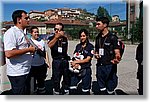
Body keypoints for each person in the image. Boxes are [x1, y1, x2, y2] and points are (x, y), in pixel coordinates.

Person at [3, 10, 36, 95]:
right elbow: (9, 53)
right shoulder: (11, 33)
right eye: (26, 18)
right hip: (17, 73)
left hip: (26, 70)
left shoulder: (23, 33)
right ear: (19, 20)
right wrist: (28, 50)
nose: (29, 20)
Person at [94, 16, 121, 95]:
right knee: (102, 89)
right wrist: (96, 54)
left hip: (109, 66)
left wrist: (117, 59)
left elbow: (117, 52)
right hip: (100, 66)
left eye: (98, 24)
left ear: (105, 25)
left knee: (110, 89)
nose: (96, 26)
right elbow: (96, 50)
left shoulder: (112, 37)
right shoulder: (98, 37)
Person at [47, 23, 70, 95]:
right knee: (56, 78)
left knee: (66, 77)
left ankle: (66, 90)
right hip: (56, 61)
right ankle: (56, 91)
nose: (56, 31)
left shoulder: (65, 38)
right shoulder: (52, 38)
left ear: (62, 31)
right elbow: (49, 45)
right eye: (55, 29)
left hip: (64, 60)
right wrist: (56, 37)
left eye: (58, 29)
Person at [69, 29, 94, 95]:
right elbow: (74, 56)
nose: (82, 38)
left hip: (86, 69)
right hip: (76, 69)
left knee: (85, 90)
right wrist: (74, 63)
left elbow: (88, 59)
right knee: (72, 87)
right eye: (81, 36)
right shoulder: (78, 46)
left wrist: (77, 62)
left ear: (87, 36)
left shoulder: (90, 46)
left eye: (84, 36)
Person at [28, 26, 50, 94]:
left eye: (37, 32)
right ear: (31, 33)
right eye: (35, 32)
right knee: (32, 85)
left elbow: (45, 52)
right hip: (32, 66)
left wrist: (48, 62)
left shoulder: (42, 41)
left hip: (41, 66)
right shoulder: (29, 42)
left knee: (41, 83)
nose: (37, 33)